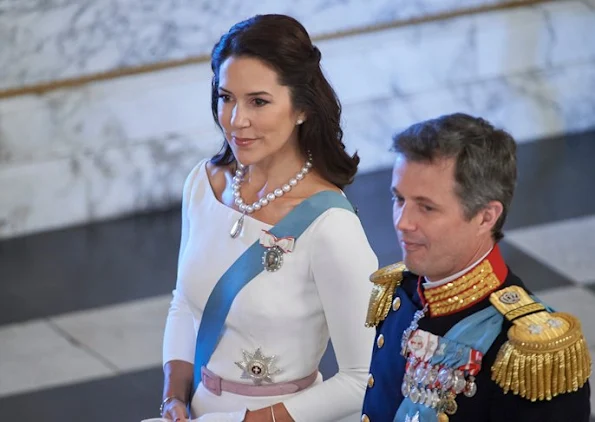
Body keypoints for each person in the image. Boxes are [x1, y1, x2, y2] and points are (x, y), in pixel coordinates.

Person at [158, 14, 377, 422]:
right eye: (226, 98)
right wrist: (173, 397)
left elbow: (360, 378)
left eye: (258, 101)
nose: (236, 120)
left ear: (301, 109)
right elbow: (185, 303)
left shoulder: (331, 225)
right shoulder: (205, 184)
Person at [361, 113, 592, 422]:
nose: (402, 222)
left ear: (486, 217)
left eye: (426, 207)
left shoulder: (527, 353)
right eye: (399, 199)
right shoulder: (400, 293)